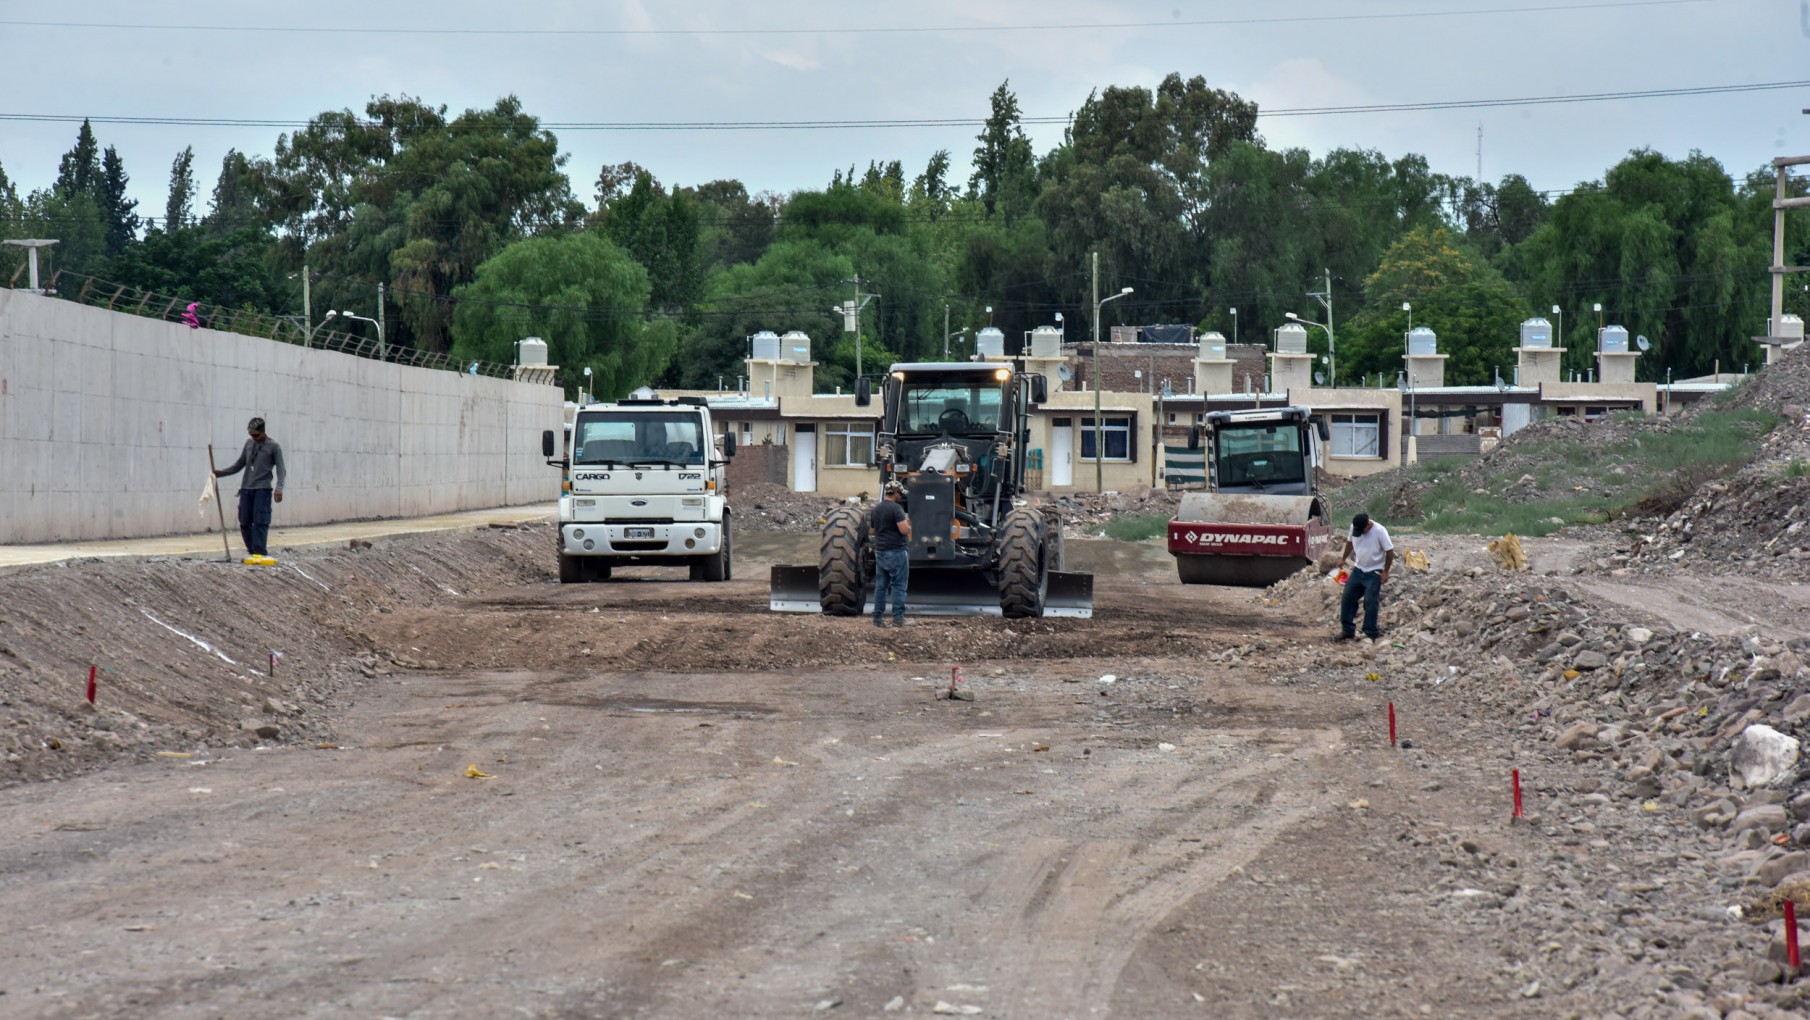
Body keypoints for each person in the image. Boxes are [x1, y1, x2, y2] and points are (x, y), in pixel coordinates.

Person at [215, 417, 287, 565]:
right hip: (246, 488)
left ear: (263, 432)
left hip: (262, 489)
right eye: (251, 435)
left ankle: (260, 552)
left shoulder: (274, 446)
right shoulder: (249, 444)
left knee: (260, 521)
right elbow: (239, 465)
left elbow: (281, 469)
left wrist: (279, 488)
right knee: (244, 521)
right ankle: (252, 550)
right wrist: (219, 473)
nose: (253, 438)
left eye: (256, 435)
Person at [1336, 512, 1394, 642]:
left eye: (1362, 531)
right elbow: (1350, 542)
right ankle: (1347, 630)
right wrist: (1343, 558)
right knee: (1347, 597)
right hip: (1358, 569)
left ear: (1368, 525)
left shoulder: (1380, 531)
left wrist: (1386, 571)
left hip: (1374, 572)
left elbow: (1389, 551)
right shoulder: (1355, 527)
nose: (1360, 533)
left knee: (1370, 602)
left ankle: (1370, 633)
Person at [870, 479, 913, 628]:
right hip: (896, 552)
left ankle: (877, 619)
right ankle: (898, 619)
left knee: (881, 586)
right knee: (899, 585)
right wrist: (908, 526)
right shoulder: (896, 509)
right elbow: (903, 530)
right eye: (900, 493)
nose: (901, 496)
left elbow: (873, 531)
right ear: (894, 493)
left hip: (880, 551)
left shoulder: (876, 509)